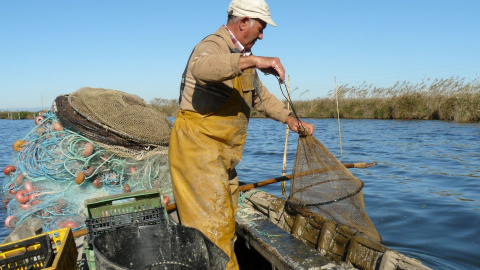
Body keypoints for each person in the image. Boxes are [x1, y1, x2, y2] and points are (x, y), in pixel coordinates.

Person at [168, 0, 315, 269]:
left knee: (226, 219)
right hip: (197, 154)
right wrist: (254, 61)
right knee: (213, 231)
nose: (261, 36)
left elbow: (261, 98)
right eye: (260, 29)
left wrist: (290, 119)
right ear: (243, 22)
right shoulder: (213, 45)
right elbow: (201, 67)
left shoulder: (242, 56)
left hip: (223, 159)